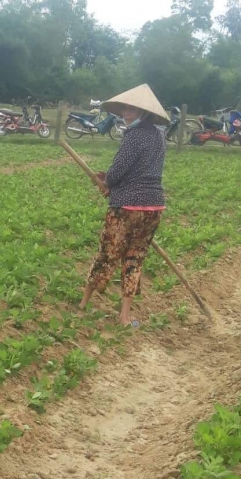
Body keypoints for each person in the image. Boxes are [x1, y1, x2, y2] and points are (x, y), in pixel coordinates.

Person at [79, 84, 169, 328]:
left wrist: (107, 181)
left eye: (131, 109)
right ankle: (124, 317)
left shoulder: (134, 135)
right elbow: (141, 170)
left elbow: (119, 170)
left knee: (107, 254)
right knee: (134, 259)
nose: (125, 113)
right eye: (125, 108)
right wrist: (109, 179)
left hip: (127, 208)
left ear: (144, 112)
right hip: (153, 207)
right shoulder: (159, 135)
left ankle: (83, 306)